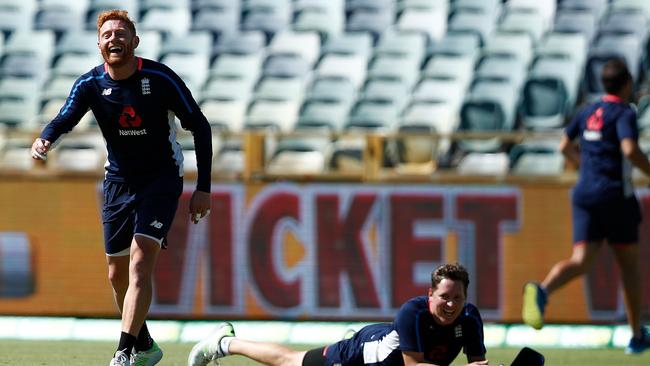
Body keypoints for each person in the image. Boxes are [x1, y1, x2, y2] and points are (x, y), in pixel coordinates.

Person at [30, 10, 213, 366]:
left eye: (121, 33)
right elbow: (66, 115)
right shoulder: (90, 84)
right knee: (117, 275)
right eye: (107, 34)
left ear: (135, 41)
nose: (114, 38)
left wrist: (203, 187)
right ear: (99, 45)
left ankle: (123, 352)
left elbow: (200, 126)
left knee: (141, 260)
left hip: (162, 178)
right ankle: (145, 345)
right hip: (118, 181)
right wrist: (45, 139)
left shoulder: (160, 78)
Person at [522, 58, 650, 354]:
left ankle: (542, 290)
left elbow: (564, 146)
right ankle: (635, 335)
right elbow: (629, 149)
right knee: (629, 266)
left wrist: (584, 169)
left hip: (584, 193)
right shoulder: (624, 112)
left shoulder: (588, 110)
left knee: (582, 260)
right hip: (615, 196)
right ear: (627, 84)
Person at [188, 263, 489, 366]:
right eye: (444, 297)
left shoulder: (470, 318)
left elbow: (477, 360)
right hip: (362, 355)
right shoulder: (413, 312)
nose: (451, 305)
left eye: (457, 298)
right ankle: (225, 343)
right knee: (290, 361)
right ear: (430, 296)